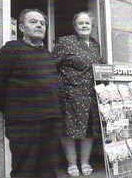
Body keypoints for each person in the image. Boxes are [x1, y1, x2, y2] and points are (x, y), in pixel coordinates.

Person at [0, 9, 62, 177]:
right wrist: (14, 109)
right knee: (24, 171)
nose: (39, 25)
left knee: (49, 171)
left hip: (51, 121)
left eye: (42, 23)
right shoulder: (11, 50)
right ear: (22, 28)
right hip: (24, 123)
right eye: (33, 22)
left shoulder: (47, 54)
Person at [53, 11, 102, 177]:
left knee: (89, 130)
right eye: (80, 23)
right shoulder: (65, 42)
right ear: (75, 27)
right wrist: (60, 87)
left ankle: (85, 162)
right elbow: (52, 66)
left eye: (87, 23)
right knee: (68, 130)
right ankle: (72, 164)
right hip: (69, 94)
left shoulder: (95, 45)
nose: (84, 26)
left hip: (90, 95)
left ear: (92, 26)